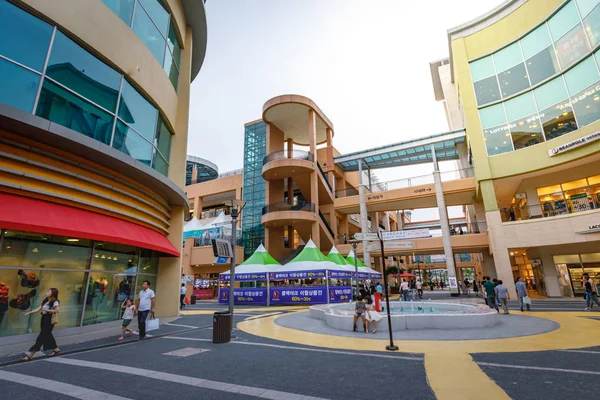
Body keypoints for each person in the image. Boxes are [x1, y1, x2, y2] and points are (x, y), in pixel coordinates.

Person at [20, 288, 60, 361]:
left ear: (53, 293)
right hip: (44, 319)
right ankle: (56, 349)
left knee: (41, 338)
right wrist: (29, 312)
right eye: (47, 291)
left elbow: (57, 310)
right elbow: (39, 308)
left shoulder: (55, 302)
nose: (46, 292)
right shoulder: (45, 300)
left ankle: (30, 356)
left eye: (48, 291)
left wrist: (47, 310)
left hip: (49, 320)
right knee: (47, 334)